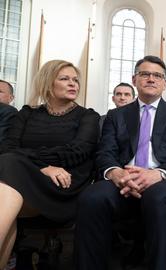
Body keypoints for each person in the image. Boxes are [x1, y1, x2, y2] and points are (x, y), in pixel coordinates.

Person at [74, 55, 166, 270]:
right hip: (123, 179)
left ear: (165, 84)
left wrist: (157, 174)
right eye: (145, 74)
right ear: (134, 79)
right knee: (92, 197)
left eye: (157, 75)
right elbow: (105, 152)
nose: (151, 79)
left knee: (158, 196)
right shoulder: (115, 115)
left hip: (164, 179)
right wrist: (117, 174)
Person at [0, 60, 99, 269]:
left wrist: (32, 161)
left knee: (9, 167)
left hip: (62, 186)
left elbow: (77, 152)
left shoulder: (87, 116)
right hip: (25, 180)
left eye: (75, 80)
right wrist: (44, 167)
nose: (73, 84)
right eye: (64, 79)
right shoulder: (27, 113)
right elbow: (7, 147)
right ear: (48, 82)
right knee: (7, 174)